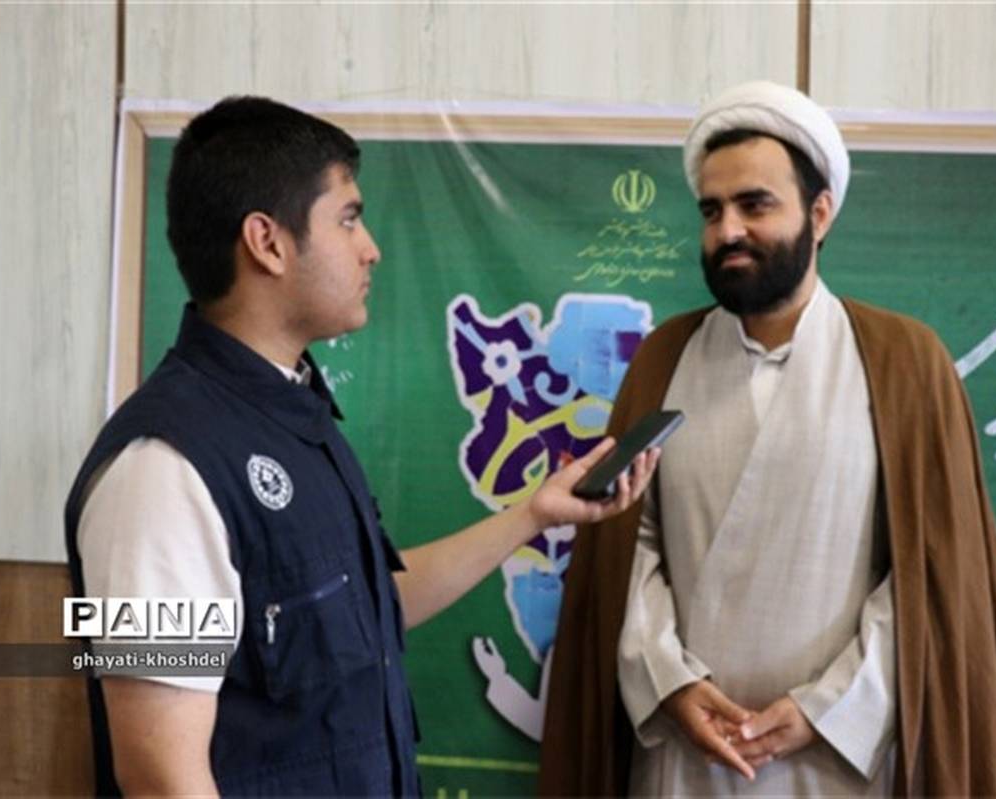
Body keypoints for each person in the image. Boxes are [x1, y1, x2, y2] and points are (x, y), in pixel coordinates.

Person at [63, 96, 657, 797]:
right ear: (267, 242)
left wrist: (534, 515)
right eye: (348, 218)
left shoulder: (297, 415)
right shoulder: (156, 469)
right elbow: (158, 776)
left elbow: (371, 607)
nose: (369, 246)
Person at [539, 80, 996, 796]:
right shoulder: (665, 358)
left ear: (819, 214)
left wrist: (828, 707)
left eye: (755, 205)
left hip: (841, 758)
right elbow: (627, 543)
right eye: (712, 211)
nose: (728, 230)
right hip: (685, 758)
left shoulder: (904, 363)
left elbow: (933, 574)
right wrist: (669, 682)